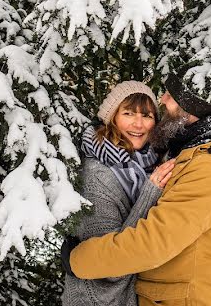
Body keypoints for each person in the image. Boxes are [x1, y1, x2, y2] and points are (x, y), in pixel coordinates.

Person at [65, 66, 211, 306]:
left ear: (191, 108)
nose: (162, 100)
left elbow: (151, 244)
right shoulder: (187, 155)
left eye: (172, 95)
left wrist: (77, 260)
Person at [62, 80, 176, 306]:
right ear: (111, 117)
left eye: (147, 115)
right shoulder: (97, 176)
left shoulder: (152, 165)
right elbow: (109, 266)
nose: (139, 124)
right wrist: (149, 194)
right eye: (128, 113)